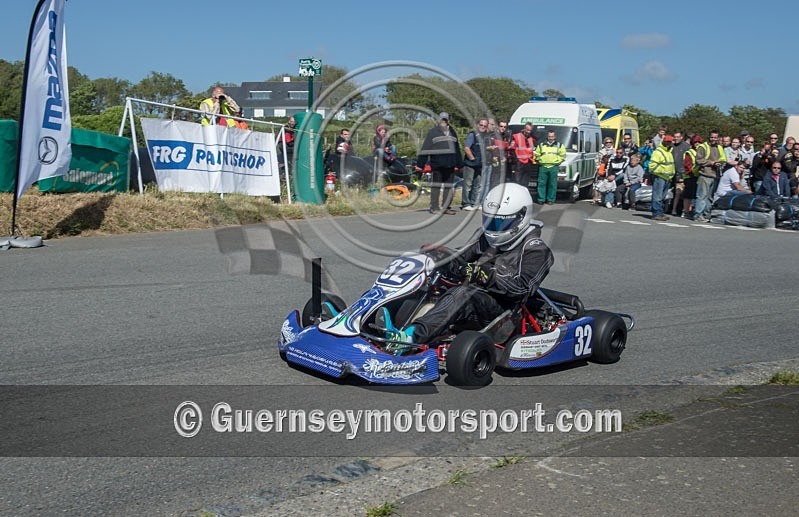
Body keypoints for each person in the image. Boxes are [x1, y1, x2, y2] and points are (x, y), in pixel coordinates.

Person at [390, 183, 554, 345]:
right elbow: (461, 257)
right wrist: (439, 257)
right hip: (476, 296)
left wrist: (486, 276)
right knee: (428, 280)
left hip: (504, 314)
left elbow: (521, 289)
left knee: (462, 293)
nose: (493, 228)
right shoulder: (485, 238)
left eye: (500, 223)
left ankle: (410, 337)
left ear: (521, 217)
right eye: (490, 221)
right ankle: (382, 319)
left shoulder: (536, 250)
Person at [416, 112, 463, 215]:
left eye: (445, 119)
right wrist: (420, 164)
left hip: (450, 164)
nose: (443, 121)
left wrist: (460, 164)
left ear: (448, 120)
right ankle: (434, 207)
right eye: (442, 119)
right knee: (436, 186)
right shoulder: (433, 132)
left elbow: (457, 149)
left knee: (448, 187)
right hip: (437, 164)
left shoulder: (452, 132)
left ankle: (446, 207)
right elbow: (425, 148)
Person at [693, 130, 726, 222]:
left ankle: (706, 214)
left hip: (715, 175)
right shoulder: (703, 147)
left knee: (710, 197)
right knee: (702, 196)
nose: (713, 139)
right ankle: (698, 215)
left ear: (718, 138)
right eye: (712, 137)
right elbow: (698, 160)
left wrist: (720, 164)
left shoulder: (719, 148)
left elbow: (723, 159)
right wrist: (711, 163)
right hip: (705, 174)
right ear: (709, 137)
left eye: (715, 137)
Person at [461, 119, 488, 210]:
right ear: (477, 125)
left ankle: (474, 203)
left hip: (480, 164)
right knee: (467, 184)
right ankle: (466, 204)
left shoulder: (485, 136)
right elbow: (466, 148)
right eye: (481, 125)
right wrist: (472, 158)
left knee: (477, 184)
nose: (482, 127)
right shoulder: (472, 135)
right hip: (470, 164)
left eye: (485, 126)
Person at [648, 134, 675, 221]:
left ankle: (660, 213)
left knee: (662, 197)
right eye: (667, 141)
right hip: (660, 177)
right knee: (657, 197)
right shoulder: (658, 152)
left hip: (667, 178)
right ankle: (656, 213)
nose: (668, 143)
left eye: (670, 142)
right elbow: (652, 166)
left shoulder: (669, 152)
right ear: (663, 141)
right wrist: (663, 172)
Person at [535, 130, 566, 204]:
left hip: (553, 166)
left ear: (555, 137)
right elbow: (537, 154)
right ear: (547, 137)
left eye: (552, 136)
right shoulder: (541, 145)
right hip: (543, 166)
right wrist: (539, 161)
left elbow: (563, 155)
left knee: (552, 184)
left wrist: (557, 162)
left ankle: (550, 200)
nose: (550, 138)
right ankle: (541, 199)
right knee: (541, 184)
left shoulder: (559, 145)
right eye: (549, 136)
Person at [509, 123, 537, 190]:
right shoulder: (516, 136)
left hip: (528, 163)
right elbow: (511, 149)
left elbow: (531, 150)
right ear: (524, 128)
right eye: (527, 130)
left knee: (525, 184)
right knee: (517, 183)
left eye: (530, 130)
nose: (528, 132)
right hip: (519, 163)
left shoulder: (531, 138)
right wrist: (515, 161)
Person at [670, 131, 691, 216]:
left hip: (682, 173)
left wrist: (683, 173)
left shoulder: (686, 147)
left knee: (679, 192)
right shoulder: (671, 146)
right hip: (671, 172)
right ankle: (671, 209)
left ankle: (679, 210)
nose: (676, 138)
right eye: (674, 137)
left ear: (681, 137)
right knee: (673, 192)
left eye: (677, 137)